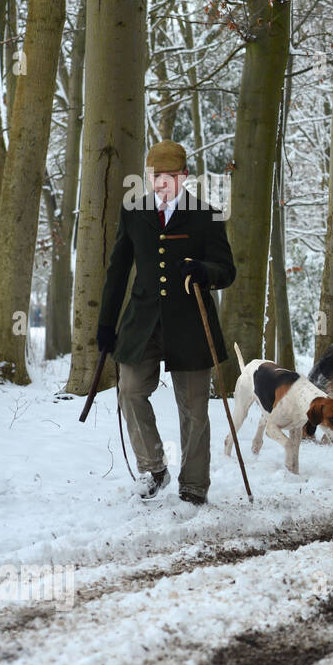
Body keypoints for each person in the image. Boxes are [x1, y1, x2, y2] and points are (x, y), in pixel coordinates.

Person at [96, 141, 236, 505]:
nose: (161, 184)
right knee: (129, 390)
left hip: (191, 325)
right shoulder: (133, 212)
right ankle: (154, 468)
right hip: (141, 324)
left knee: (193, 408)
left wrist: (205, 271)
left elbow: (227, 271)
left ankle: (193, 486)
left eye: (168, 177)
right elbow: (117, 272)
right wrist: (106, 325)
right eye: (155, 176)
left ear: (184, 177)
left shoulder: (207, 215)